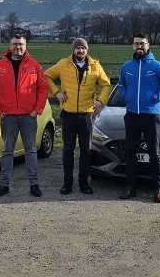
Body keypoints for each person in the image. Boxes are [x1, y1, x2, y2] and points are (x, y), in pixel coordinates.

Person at [44, 37, 112, 195]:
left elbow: (106, 84)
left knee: (86, 151)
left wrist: (101, 101)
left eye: (83, 48)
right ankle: (67, 184)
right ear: (73, 50)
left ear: (87, 50)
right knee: (67, 150)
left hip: (86, 115)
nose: (80, 51)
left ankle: (84, 183)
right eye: (78, 48)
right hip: (68, 114)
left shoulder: (95, 66)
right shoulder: (63, 64)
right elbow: (47, 76)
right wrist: (57, 92)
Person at [118, 32, 160, 203]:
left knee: (154, 154)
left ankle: (158, 190)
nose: (139, 46)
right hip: (131, 116)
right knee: (130, 152)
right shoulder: (126, 67)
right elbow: (121, 85)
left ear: (148, 45)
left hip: (151, 115)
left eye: (142, 43)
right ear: (133, 46)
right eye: (136, 43)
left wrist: (156, 97)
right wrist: (126, 95)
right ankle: (130, 188)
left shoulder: (158, 67)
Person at [0, 34, 47, 197]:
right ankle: (4, 185)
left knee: (31, 151)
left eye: (21, 44)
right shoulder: (0, 65)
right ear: (10, 45)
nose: (18, 47)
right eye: (15, 44)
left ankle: (34, 184)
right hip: (8, 117)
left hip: (29, 116)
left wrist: (38, 109)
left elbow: (43, 88)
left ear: (25, 45)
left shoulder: (34, 65)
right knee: (7, 151)